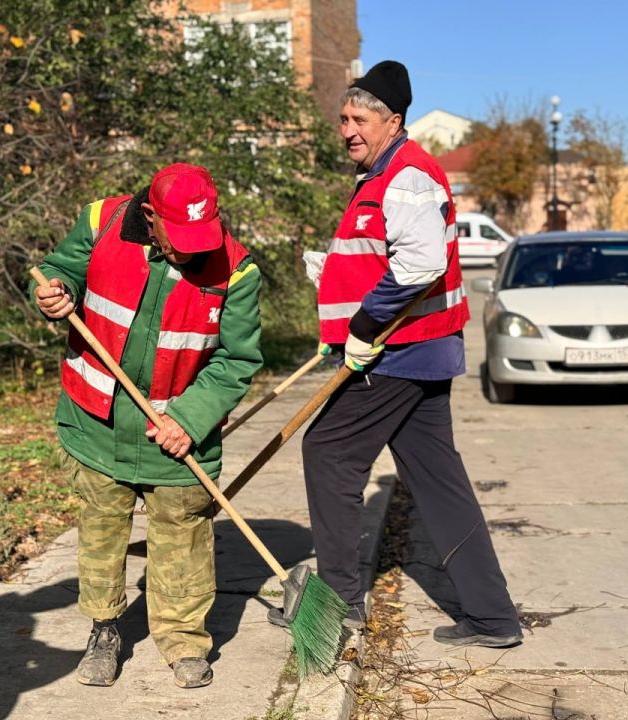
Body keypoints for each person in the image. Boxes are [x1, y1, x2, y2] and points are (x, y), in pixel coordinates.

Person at [270, 61, 522, 647]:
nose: (348, 129)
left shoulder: (406, 174)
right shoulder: (381, 174)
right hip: (415, 354)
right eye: (343, 118)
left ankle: (338, 605)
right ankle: (492, 617)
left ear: (393, 120)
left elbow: (421, 264)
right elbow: (384, 254)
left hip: (398, 354)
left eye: (360, 118)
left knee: (328, 452)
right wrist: (331, 272)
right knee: (438, 482)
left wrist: (362, 322)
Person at [33, 163, 263, 689]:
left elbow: (237, 361)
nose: (189, 252)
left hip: (180, 435)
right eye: (177, 239)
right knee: (101, 529)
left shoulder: (238, 270)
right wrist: (53, 296)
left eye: (199, 238)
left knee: (183, 534)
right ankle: (103, 629)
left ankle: (184, 640)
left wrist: (189, 419)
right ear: (149, 217)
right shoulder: (102, 221)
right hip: (98, 421)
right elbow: (56, 272)